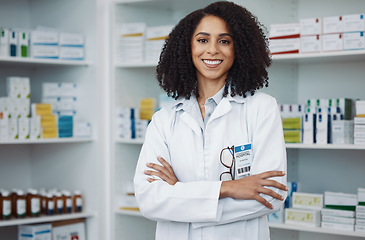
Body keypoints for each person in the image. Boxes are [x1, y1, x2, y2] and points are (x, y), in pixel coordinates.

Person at [134, 1, 287, 239]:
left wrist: (180, 193)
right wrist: (228, 189)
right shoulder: (164, 119)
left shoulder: (261, 108)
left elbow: (269, 196)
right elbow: (149, 200)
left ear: (239, 48)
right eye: (203, 40)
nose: (213, 50)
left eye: (224, 41)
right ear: (188, 47)